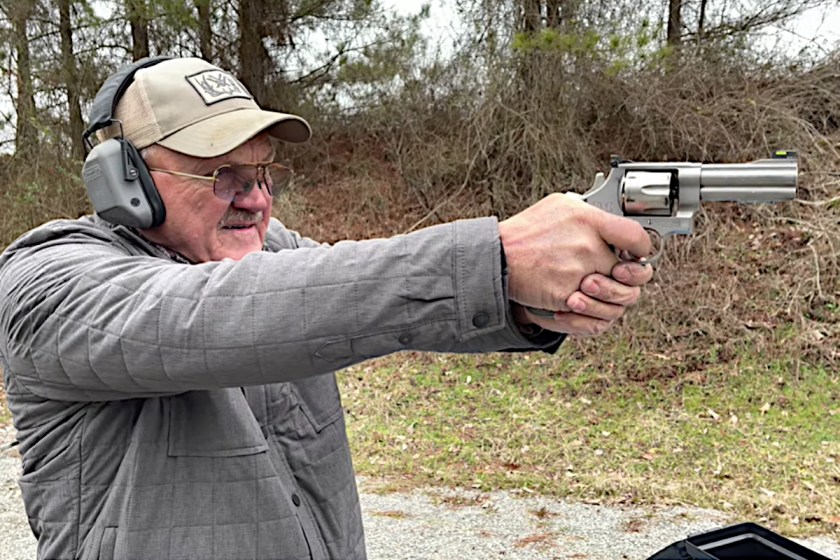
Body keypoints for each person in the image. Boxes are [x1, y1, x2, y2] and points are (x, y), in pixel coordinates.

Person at [0, 57, 653, 560]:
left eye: (262, 174)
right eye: (223, 176)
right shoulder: (46, 283)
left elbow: (361, 292)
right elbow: (216, 314)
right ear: (126, 183)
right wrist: (498, 254)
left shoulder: (273, 255)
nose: (255, 200)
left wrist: (526, 298)